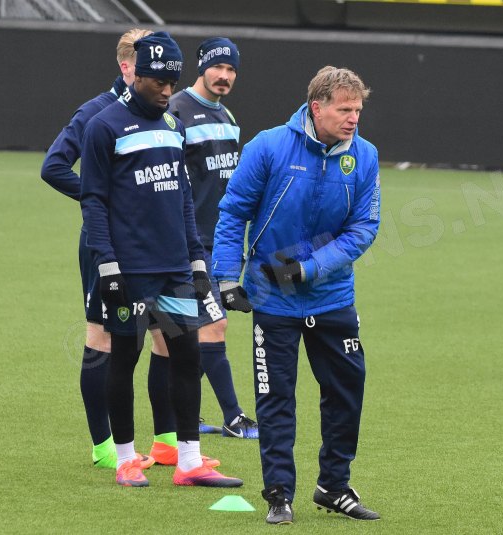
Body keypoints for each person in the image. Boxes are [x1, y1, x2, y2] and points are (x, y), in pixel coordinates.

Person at [213, 66, 381, 524]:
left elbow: (364, 227)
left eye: (358, 110)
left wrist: (308, 268)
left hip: (332, 298)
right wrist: (227, 278)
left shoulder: (364, 156)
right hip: (274, 301)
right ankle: (279, 494)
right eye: (344, 110)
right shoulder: (268, 146)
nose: (353, 119)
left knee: (347, 393)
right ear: (316, 107)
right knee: (276, 398)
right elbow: (233, 215)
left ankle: (334, 486)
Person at [80, 31, 242, 488]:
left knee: (186, 357)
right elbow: (92, 201)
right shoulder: (104, 126)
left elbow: (184, 198)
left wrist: (195, 258)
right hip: (130, 269)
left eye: (173, 82)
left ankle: (189, 462)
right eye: (160, 83)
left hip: (174, 268)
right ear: (139, 76)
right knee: (123, 360)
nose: (168, 91)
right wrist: (107, 266)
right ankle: (127, 460)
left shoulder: (173, 125)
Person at [41, 28, 185, 469]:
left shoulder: (161, 115)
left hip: (155, 249)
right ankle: (105, 447)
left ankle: (166, 442)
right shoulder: (97, 113)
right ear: (127, 67)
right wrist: (105, 196)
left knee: (167, 335)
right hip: (106, 247)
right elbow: (53, 166)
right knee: (104, 339)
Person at [168, 37, 258, 440]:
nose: (224, 76)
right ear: (202, 67)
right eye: (218, 68)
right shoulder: (177, 111)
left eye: (232, 70)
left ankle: (174, 414)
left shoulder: (227, 116)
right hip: (189, 242)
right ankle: (234, 417)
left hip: (219, 240)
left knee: (191, 331)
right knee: (213, 326)